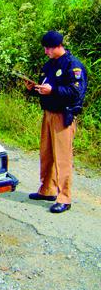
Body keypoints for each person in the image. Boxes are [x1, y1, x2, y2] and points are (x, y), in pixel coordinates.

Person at [24, 30, 87, 213]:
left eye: (48, 48)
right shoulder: (49, 65)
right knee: (46, 154)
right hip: (48, 114)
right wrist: (33, 88)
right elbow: (46, 86)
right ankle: (47, 189)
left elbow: (76, 92)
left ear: (58, 46)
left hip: (63, 116)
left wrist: (53, 91)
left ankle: (64, 197)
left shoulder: (73, 66)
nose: (46, 52)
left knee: (62, 158)